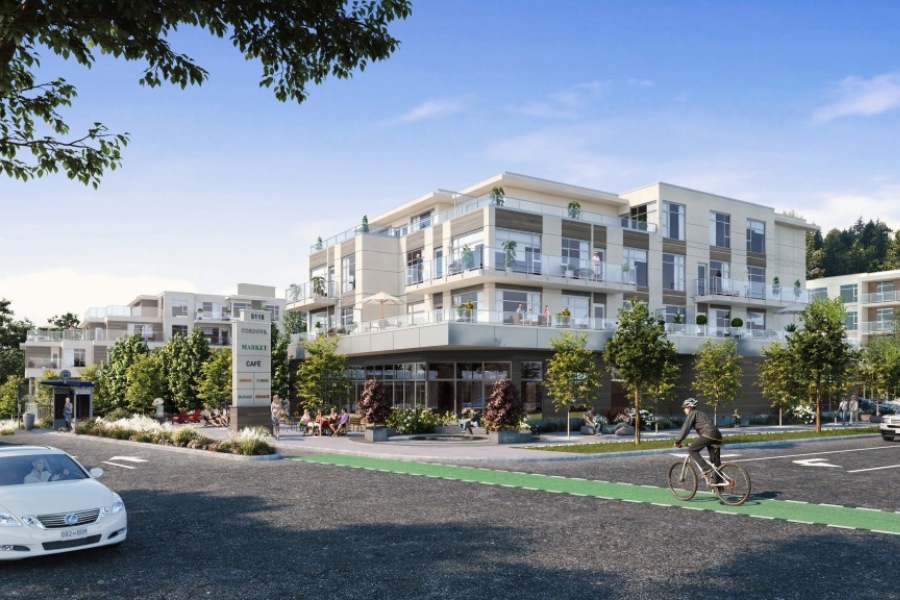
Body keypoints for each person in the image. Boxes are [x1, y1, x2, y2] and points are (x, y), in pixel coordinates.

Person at [674, 398, 723, 480]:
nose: (684, 410)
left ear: (689, 407)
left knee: (691, 449)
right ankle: (718, 486)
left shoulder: (692, 413)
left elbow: (686, 428)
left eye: (685, 408)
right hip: (717, 434)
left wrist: (677, 441)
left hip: (709, 434)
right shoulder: (701, 413)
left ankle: (706, 468)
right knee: (715, 462)